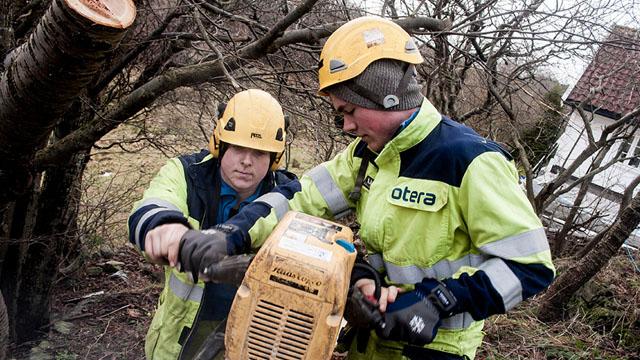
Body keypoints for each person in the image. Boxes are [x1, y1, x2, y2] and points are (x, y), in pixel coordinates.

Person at [179, 16, 556, 360]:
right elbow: (300, 196)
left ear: (385, 95)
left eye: (348, 111)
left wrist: (438, 301)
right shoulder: (367, 155)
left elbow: (531, 266)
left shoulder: (469, 161)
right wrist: (234, 232)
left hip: (434, 349)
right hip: (370, 342)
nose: (346, 126)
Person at [127, 89, 296, 359]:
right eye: (238, 148)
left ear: (274, 158)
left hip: (256, 336)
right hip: (180, 337)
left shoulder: (291, 194)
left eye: (260, 153)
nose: (246, 161)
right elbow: (155, 203)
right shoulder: (187, 174)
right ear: (220, 144)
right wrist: (165, 227)